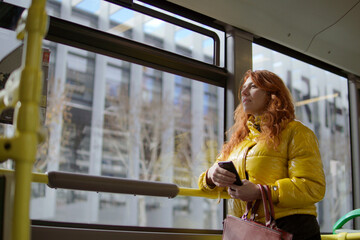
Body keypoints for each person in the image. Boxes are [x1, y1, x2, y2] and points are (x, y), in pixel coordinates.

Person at [198, 70, 326, 240]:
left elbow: (313, 187)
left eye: (253, 87)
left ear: (272, 94)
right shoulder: (239, 141)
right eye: (243, 88)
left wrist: (261, 192)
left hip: (292, 227)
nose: (243, 92)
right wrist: (210, 175)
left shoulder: (297, 132)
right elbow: (204, 184)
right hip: (247, 229)